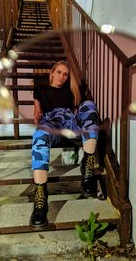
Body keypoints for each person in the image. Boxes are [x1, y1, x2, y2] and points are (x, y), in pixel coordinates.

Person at [30, 60, 99, 228]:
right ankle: (40, 197)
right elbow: (37, 112)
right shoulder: (40, 90)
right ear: (52, 73)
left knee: (89, 105)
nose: (62, 76)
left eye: (66, 74)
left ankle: (88, 166)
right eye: (59, 72)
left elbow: (80, 110)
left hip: (70, 121)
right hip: (51, 122)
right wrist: (37, 117)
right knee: (39, 135)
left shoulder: (71, 91)